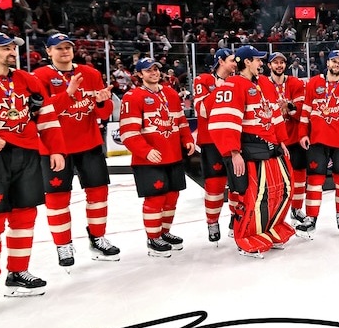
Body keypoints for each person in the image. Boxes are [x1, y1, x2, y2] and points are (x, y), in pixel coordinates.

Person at [0, 32, 65, 307]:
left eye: (13, 47)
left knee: (24, 216)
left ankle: (18, 273)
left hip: (26, 154)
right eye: (5, 47)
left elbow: (46, 115)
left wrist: (56, 149)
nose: (12, 51)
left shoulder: (26, 79)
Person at [33, 32, 119, 266]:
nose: (64, 51)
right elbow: (39, 112)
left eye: (68, 47)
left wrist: (101, 100)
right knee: (58, 198)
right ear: (48, 51)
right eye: (58, 48)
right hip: (55, 148)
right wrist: (68, 94)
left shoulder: (91, 73)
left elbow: (103, 113)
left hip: (89, 143)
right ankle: (63, 245)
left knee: (98, 193)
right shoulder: (39, 76)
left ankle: (97, 237)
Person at [208, 46, 295, 257]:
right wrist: (233, 152)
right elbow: (224, 121)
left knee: (280, 190)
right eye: (257, 60)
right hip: (250, 150)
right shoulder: (233, 85)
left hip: (271, 148)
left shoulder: (264, 82)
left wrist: (281, 141)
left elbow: (274, 113)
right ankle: (245, 236)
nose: (261, 64)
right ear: (246, 62)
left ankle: (267, 229)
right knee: (253, 197)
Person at [119, 58, 196, 257]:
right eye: (148, 70)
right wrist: (145, 150)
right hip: (148, 160)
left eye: (155, 69)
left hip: (173, 155)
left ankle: (164, 232)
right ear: (139, 74)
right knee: (155, 198)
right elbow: (127, 132)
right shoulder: (132, 97)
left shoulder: (170, 93)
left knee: (172, 196)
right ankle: (153, 238)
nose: (153, 73)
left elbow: (181, 121)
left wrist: (187, 139)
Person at [294, 50, 339, 237]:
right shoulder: (313, 83)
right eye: (334, 61)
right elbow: (305, 113)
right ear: (327, 63)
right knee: (314, 180)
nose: (337, 65)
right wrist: (302, 134)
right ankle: (311, 218)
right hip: (318, 140)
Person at [192, 48, 237, 242]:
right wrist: (220, 90)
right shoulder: (202, 80)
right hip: (211, 141)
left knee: (237, 185)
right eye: (232, 60)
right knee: (214, 185)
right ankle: (212, 222)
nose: (235, 64)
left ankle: (236, 220)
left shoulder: (237, 81)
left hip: (234, 139)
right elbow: (202, 110)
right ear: (221, 61)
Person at [267, 51, 308, 222]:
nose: (279, 65)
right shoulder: (263, 84)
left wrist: (289, 106)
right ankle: (275, 214)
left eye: (281, 62)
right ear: (269, 65)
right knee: (274, 180)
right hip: (273, 139)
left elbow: (302, 109)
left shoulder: (295, 82)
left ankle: (296, 209)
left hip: (294, 138)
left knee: (299, 176)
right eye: (275, 62)